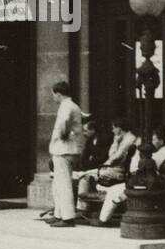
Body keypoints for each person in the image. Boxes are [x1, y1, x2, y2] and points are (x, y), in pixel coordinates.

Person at [97, 126, 165, 225]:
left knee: (116, 192)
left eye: (154, 139)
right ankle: (103, 218)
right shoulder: (160, 152)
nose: (151, 142)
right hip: (148, 183)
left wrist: (138, 153)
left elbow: (138, 168)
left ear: (161, 141)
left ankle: (103, 220)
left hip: (153, 186)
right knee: (114, 190)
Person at [44, 79, 85, 227]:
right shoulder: (71, 105)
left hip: (64, 149)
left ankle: (67, 217)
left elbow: (64, 123)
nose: (53, 97)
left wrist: (62, 135)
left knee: (63, 184)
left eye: (54, 94)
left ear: (59, 93)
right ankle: (59, 214)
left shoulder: (66, 106)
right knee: (59, 183)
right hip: (66, 149)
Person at [76, 116, 137, 197]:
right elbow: (111, 155)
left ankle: (83, 206)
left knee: (84, 176)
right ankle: (86, 203)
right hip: (112, 168)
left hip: (117, 171)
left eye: (113, 128)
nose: (112, 131)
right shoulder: (122, 138)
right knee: (85, 175)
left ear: (119, 128)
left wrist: (115, 142)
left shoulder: (128, 140)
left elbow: (115, 157)